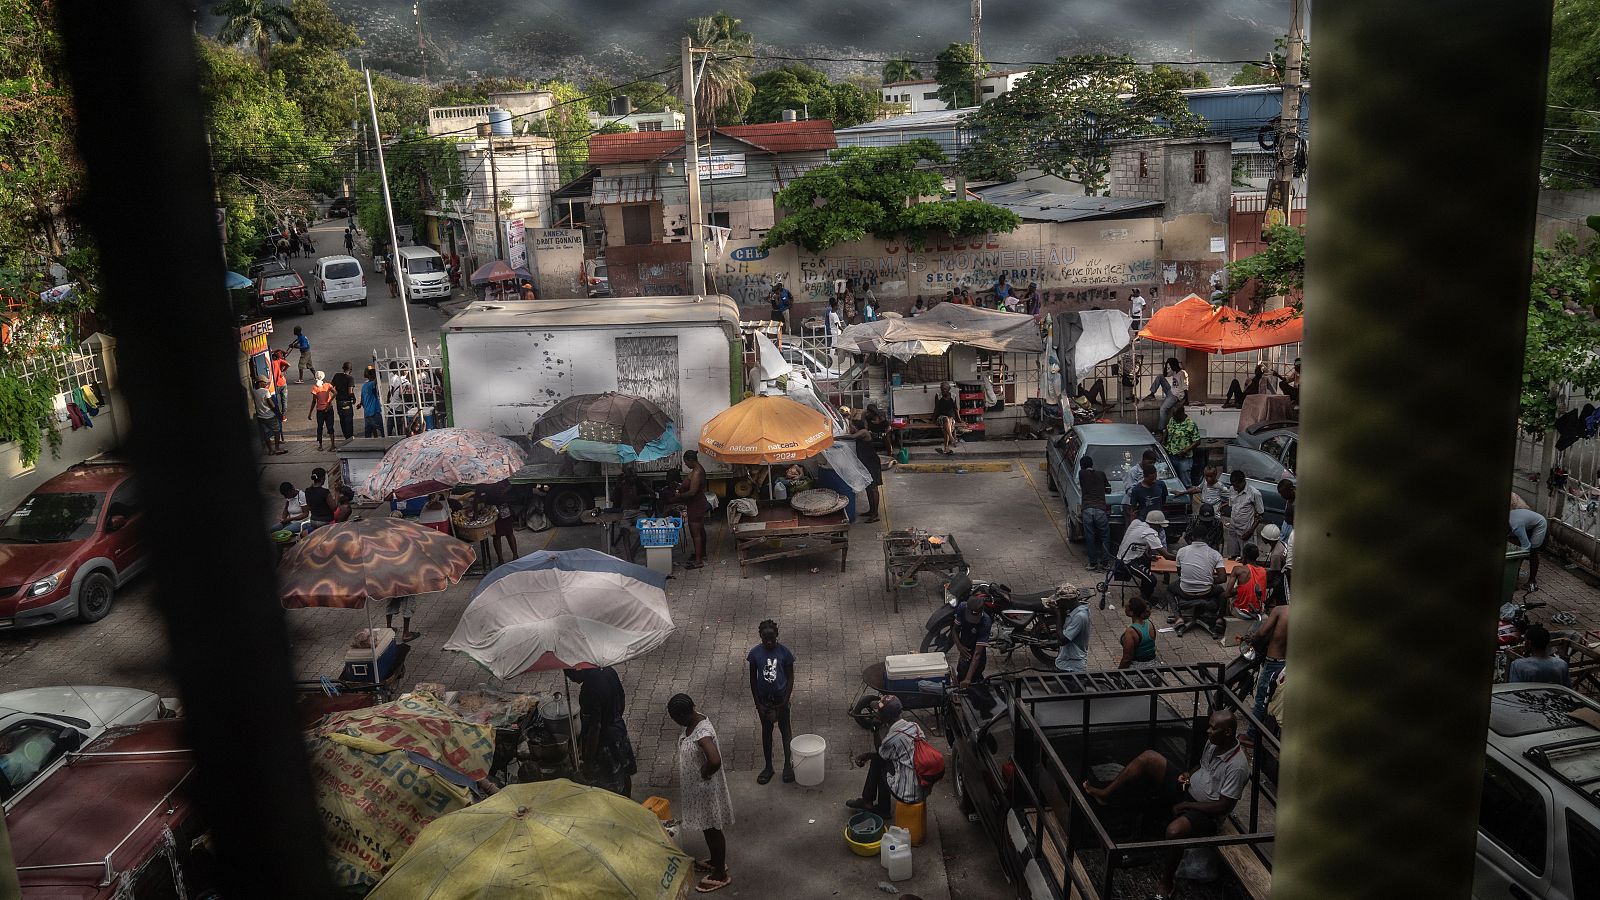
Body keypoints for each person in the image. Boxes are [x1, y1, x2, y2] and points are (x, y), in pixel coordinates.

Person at [1083, 709, 1250, 899]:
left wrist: (1187, 807)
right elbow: (1202, 766)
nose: (1208, 731)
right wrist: (1188, 774)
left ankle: (1167, 882)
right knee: (1149, 758)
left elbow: (1223, 806)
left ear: (1227, 732)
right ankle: (1106, 794)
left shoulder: (1237, 767)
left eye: (1213, 729)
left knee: (1174, 831)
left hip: (1207, 812)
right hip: (1188, 790)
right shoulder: (1214, 742)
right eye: (1209, 726)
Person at [668, 694, 733, 894]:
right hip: (699, 791)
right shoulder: (695, 720)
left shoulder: (702, 733)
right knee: (708, 827)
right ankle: (716, 861)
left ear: (684, 715)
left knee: (712, 829)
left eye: (676, 719)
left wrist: (704, 771)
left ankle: (720, 873)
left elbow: (714, 760)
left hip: (705, 791)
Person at [848, 695, 925, 819]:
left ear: (886, 717)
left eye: (879, 712)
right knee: (881, 760)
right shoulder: (914, 726)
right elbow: (889, 753)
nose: (876, 713)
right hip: (919, 783)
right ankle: (868, 800)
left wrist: (875, 730)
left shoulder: (892, 738)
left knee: (880, 763)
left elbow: (881, 754)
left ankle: (882, 808)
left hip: (907, 792)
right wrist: (868, 755)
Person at [565, 666, 637, 797]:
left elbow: (595, 728)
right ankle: (628, 801)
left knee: (609, 786)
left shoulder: (589, 690)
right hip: (619, 730)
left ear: (578, 669)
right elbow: (621, 699)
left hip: (604, 742)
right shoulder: (609, 671)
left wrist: (588, 762)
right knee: (624, 774)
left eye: (571, 676)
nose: (572, 680)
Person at [747, 620, 796, 784]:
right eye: (765, 638)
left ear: (777, 635)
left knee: (785, 731)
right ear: (760, 636)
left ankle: (788, 765)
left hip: (781, 700)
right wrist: (758, 704)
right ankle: (768, 766)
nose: (769, 642)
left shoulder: (784, 653)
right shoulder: (755, 654)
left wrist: (785, 701)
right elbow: (753, 680)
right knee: (766, 732)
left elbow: (790, 678)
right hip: (764, 702)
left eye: (772, 638)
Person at [1243, 594, 1290, 743]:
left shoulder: (1280, 610)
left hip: (1273, 663)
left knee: (1261, 700)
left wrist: (1252, 638)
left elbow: (1262, 633)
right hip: (1287, 664)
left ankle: (1251, 736)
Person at [1171, 536, 1226, 636]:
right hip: (1206, 591)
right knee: (1222, 591)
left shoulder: (1182, 551)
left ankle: (1178, 617)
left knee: (1169, 589)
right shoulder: (1215, 554)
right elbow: (1223, 578)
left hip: (1185, 592)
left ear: (1192, 538)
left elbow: (1179, 573)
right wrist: (1207, 580)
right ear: (1207, 538)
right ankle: (1219, 619)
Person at [1115, 510, 1172, 603]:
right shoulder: (1150, 533)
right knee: (1152, 580)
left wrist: (1148, 556)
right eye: (1160, 526)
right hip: (1127, 561)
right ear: (1155, 524)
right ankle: (1145, 598)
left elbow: (1139, 543)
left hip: (1124, 555)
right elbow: (1166, 555)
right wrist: (1182, 556)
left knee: (1149, 565)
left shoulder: (1137, 523)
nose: (1161, 529)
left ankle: (1145, 591)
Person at [673, 450, 709, 569]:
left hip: (696, 505)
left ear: (690, 460)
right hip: (697, 504)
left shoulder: (697, 472)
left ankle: (698, 561)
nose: (686, 465)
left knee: (696, 533)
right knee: (700, 530)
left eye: (686, 462)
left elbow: (693, 492)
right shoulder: (696, 470)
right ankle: (701, 554)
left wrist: (680, 496)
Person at [1079, 456, 1112, 572]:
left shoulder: (1081, 474)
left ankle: (1092, 563)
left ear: (1082, 466)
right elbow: (1108, 489)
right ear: (1092, 464)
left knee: (1090, 537)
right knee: (1105, 537)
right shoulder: (1101, 474)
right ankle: (1105, 563)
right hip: (1100, 509)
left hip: (1087, 509)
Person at [849, 416, 883, 522]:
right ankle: (871, 511)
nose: (850, 428)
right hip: (866, 463)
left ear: (855, 427)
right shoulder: (860, 433)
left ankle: (875, 514)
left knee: (873, 488)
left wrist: (835, 438)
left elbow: (851, 437)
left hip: (872, 463)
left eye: (851, 426)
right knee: (868, 487)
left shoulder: (864, 432)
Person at [1223, 469, 1264, 558]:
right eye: (1233, 485)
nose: (1235, 488)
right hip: (1233, 529)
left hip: (1246, 531)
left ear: (1243, 481)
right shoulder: (1232, 489)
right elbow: (1232, 505)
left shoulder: (1254, 493)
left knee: (1247, 558)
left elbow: (1260, 515)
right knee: (1233, 556)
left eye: (1237, 485)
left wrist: (1249, 532)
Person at [953, 596, 992, 687]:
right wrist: (959, 646)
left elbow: (977, 654)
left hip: (977, 653)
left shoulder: (986, 621)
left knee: (975, 678)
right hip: (964, 648)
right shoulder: (962, 607)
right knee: (961, 672)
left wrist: (968, 679)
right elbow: (954, 630)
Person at [1509, 507, 1548, 592]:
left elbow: (1526, 546)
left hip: (1539, 524)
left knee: (1533, 552)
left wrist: (1516, 561)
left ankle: (1532, 581)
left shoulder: (1516, 526)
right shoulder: (1507, 521)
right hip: (1526, 522)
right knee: (1514, 547)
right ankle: (1514, 577)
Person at [1226, 543, 1269, 619]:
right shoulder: (1263, 571)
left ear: (1244, 556)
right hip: (1259, 611)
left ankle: (1222, 620)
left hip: (1242, 612)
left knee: (1225, 597)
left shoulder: (1238, 569)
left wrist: (1238, 590)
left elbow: (1227, 593)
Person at [1146, 357, 1188, 432]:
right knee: (1160, 376)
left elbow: (1186, 388)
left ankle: (1161, 429)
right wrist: (1166, 364)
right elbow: (1164, 374)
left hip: (1175, 396)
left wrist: (1185, 400)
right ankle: (1152, 393)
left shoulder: (1182, 373)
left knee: (1163, 409)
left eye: (1171, 366)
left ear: (1175, 365)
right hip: (1170, 391)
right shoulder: (1174, 372)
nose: (1170, 368)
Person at [1118, 596, 1159, 668]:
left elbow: (1127, 659)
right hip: (1155, 665)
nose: (1125, 607)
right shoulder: (1149, 623)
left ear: (1131, 613)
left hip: (1139, 668)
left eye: (1127, 607)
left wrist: (1118, 672)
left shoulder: (1131, 631)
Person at [1057, 589, 1092, 673]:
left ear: (1068, 601)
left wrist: (1057, 614)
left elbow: (1062, 641)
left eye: (1061, 602)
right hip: (1067, 662)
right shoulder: (1076, 611)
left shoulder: (1079, 617)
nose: (1059, 604)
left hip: (1072, 665)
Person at [253, 376, 285, 456]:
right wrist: (277, 412)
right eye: (265, 383)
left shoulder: (254, 392)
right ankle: (277, 448)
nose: (266, 384)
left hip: (260, 416)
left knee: (266, 433)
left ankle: (270, 450)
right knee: (277, 430)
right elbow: (271, 404)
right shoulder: (265, 391)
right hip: (270, 416)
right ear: (261, 383)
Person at [307, 371, 336, 451]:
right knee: (330, 427)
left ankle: (320, 446)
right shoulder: (328, 385)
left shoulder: (315, 388)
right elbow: (335, 393)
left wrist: (310, 413)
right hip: (329, 409)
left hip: (320, 410)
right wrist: (329, 402)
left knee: (320, 427)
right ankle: (332, 445)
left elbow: (314, 401)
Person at [331, 362, 356, 445]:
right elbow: (350, 391)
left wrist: (336, 393)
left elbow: (331, 386)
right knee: (348, 421)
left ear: (343, 368)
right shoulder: (350, 378)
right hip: (347, 402)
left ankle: (346, 438)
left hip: (339, 402)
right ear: (351, 370)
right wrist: (354, 398)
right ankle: (350, 439)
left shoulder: (336, 376)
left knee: (342, 420)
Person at [933, 382, 960, 455]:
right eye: (942, 389)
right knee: (946, 419)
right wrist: (933, 419)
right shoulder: (938, 396)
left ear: (949, 389)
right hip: (940, 418)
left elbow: (955, 409)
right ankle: (951, 438)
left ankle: (946, 448)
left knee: (947, 424)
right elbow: (936, 408)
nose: (943, 391)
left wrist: (959, 420)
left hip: (950, 418)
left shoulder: (953, 396)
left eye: (945, 389)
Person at [361, 365, 384, 437]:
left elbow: (362, 400)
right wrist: (378, 369)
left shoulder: (364, 386)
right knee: (383, 430)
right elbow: (377, 379)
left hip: (367, 413)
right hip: (374, 412)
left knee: (368, 433)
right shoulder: (371, 384)